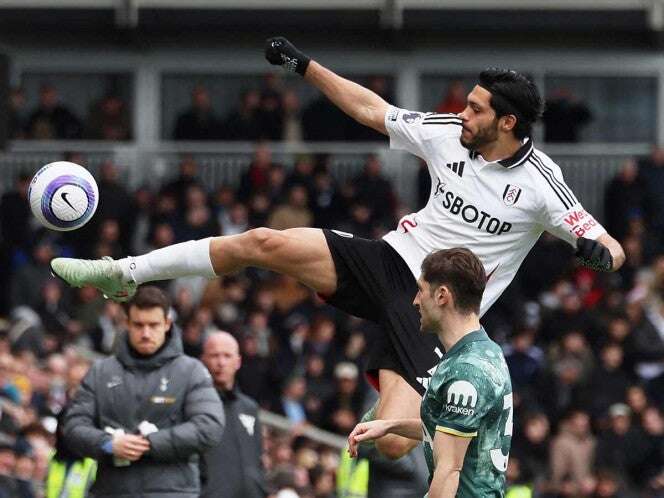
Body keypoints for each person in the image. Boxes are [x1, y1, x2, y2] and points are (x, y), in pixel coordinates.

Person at [51, 36, 625, 460]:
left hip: (437, 309)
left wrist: (600, 252)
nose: (462, 113)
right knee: (263, 241)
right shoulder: (449, 133)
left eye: (475, 109)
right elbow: (371, 109)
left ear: (508, 122)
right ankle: (123, 272)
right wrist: (305, 67)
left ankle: (414, 410)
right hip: (390, 260)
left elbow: (606, 243)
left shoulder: (542, 184)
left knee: (391, 448)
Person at [347, 248, 513, 498]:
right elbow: (450, 431)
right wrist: (390, 425)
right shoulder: (484, 349)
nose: (415, 301)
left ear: (442, 296)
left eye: (421, 290)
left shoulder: (467, 371)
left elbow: (448, 472)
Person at [62, 286, 225, 498]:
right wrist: (108, 444)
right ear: (127, 323)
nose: (146, 333)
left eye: (153, 325)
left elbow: (209, 427)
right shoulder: (101, 371)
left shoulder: (191, 371)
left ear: (167, 324)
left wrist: (150, 443)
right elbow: (73, 426)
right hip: (112, 491)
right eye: (138, 325)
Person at [200, 331, 267, 498]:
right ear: (203, 360)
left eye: (227, 356)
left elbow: (257, 460)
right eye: (214, 355)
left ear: (238, 362)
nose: (221, 362)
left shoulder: (249, 407)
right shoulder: (194, 403)